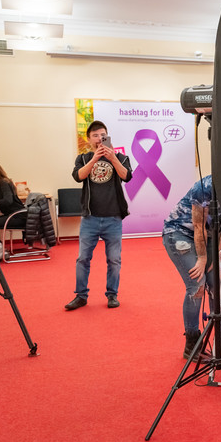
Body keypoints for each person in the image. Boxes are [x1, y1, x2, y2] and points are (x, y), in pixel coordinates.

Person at [162, 175, 221, 360]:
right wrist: (203, 258)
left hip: (209, 236)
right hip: (179, 231)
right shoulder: (204, 187)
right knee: (197, 284)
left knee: (216, 283)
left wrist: (216, 254)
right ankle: (192, 342)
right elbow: (198, 226)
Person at [65, 120, 133, 311]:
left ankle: (112, 295)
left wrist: (113, 159)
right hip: (90, 218)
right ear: (89, 139)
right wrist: (95, 159)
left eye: (103, 135)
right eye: (95, 135)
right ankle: (81, 296)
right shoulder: (83, 158)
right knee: (83, 258)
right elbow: (78, 176)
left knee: (114, 259)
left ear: (108, 137)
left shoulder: (120, 157)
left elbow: (127, 176)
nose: (99, 138)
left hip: (113, 218)